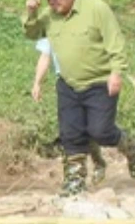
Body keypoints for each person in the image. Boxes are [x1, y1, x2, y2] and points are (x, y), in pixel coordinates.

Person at [23, 0, 135, 196]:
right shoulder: (49, 16)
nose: (52, 1)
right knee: (71, 134)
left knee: (101, 131)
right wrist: (31, 12)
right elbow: (32, 32)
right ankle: (75, 181)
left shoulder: (95, 8)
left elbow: (115, 42)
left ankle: (131, 147)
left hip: (99, 81)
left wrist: (117, 72)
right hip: (68, 84)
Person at [32, 37, 108, 185]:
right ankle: (74, 178)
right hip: (66, 82)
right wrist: (37, 83)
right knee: (69, 129)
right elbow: (45, 56)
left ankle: (97, 162)